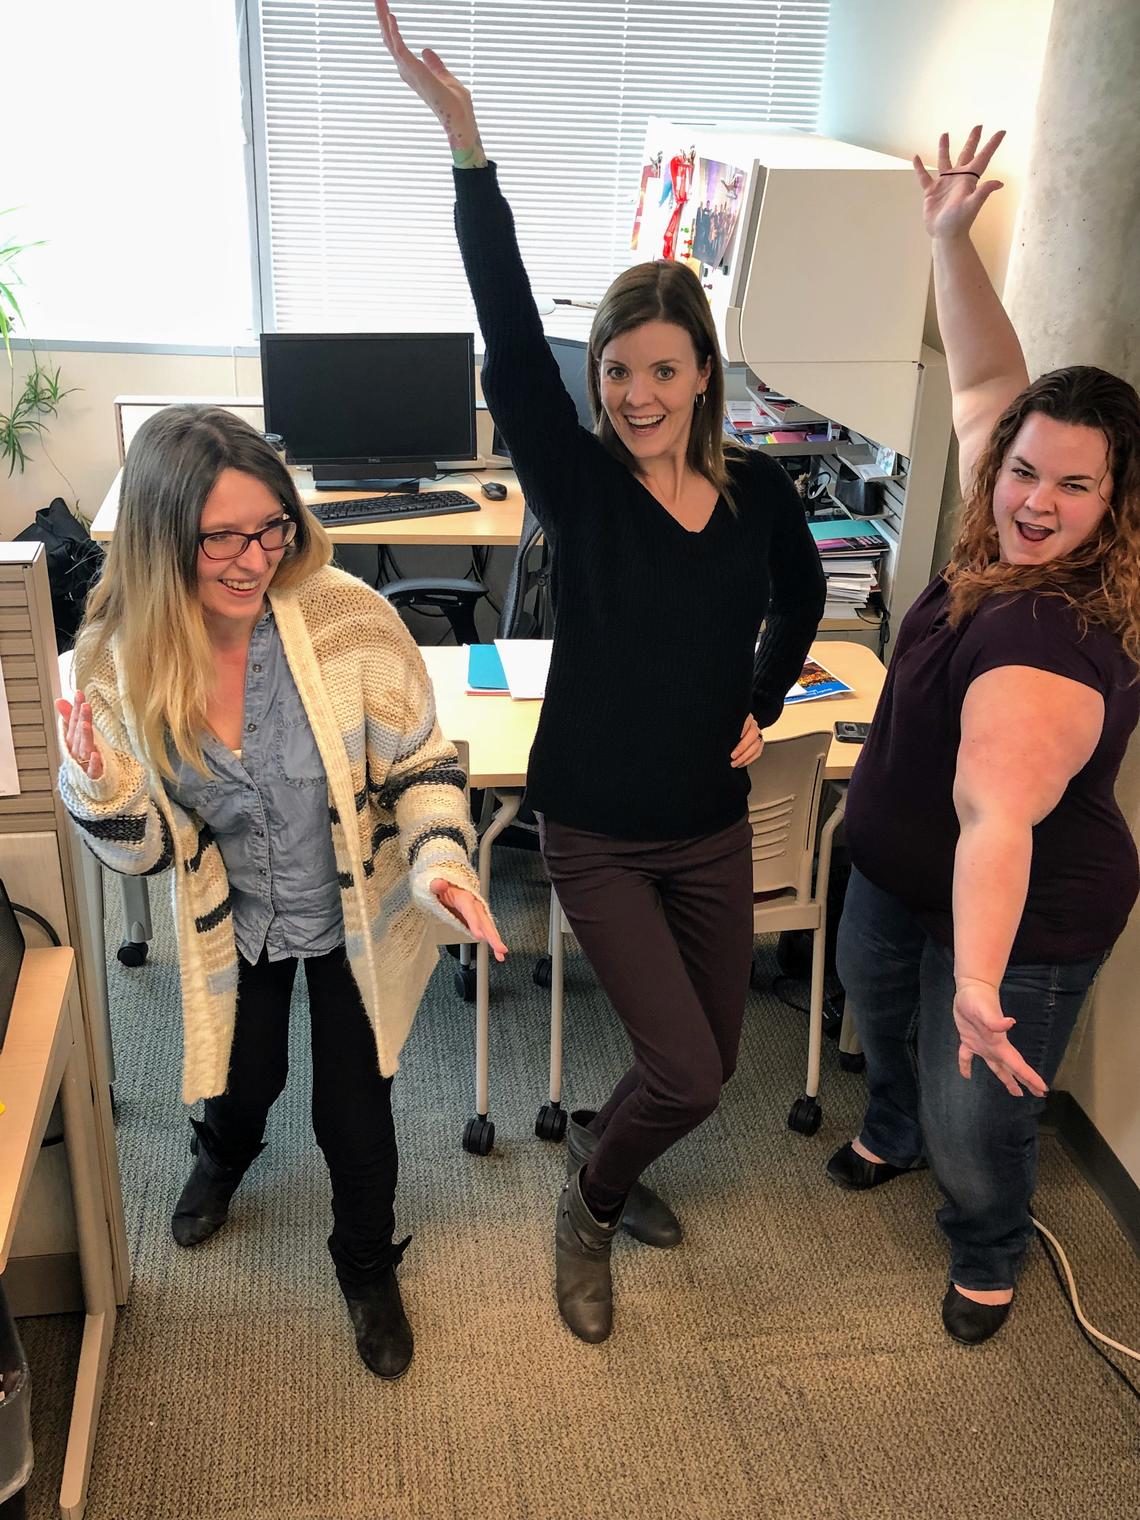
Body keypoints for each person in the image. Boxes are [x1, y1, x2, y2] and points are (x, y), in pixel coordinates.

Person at [375, 1, 826, 1344]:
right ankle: (588, 1201)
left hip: (707, 827)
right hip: (598, 833)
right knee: (683, 1065)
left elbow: (800, 601)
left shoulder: (759, 499)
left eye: (662, 371)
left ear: (705, 376)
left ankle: (612, 1171)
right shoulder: (581, 489)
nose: (636, 394)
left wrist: (760, 701)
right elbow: (512, 341)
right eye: (618, 371)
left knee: (715, 1064)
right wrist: (466, 144)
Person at [56, 405, 505, 1379]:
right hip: (241, 920)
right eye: (224, 535)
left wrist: (445, 864)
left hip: (355, 911)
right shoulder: (116, 663)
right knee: (243, 1077)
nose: (257, 556)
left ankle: (364, 1261)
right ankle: (220, 1155)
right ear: (165, 535)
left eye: (272, 527)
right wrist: (100, 783)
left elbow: (424, 762)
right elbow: (136, 858)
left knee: (355, 1110)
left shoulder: (348, 616)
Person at [829, 128, 1140, 1345]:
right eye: (1024, 471)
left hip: (1016, 913)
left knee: (981, 1112)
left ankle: (990, 1241)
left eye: (1074, 487)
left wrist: (975, 981)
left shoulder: (1050, 644)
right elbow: (977, 383)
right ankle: (892, 1127)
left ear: (1117, 504)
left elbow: (999, 817)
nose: (1033, 502)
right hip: (903, 872)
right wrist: (947, 239)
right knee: (874, 1005)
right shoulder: (995, 529)